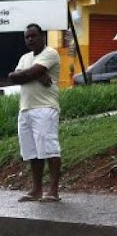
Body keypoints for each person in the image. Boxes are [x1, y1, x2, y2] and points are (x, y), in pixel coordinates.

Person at [8, 23, 62, 202]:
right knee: (32, 152)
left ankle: (53, 190)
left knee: (49, 149)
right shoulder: (24, 57)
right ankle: (36, 190)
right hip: (25, 109)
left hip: (45, 108)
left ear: (42, 37)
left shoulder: (50, 53)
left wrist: (29, 73)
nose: (30, 39)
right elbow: (13, 77)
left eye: (33, 36)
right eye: (27, 37)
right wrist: (36, 74)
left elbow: (24, 74)